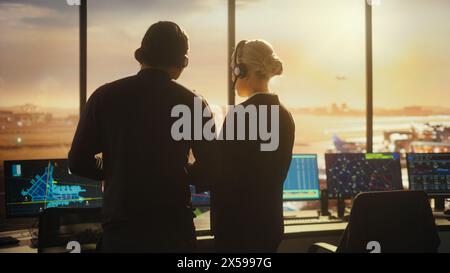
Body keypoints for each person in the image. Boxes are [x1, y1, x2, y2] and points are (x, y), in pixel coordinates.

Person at [68, 21, 215, 252]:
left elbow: (77, 161)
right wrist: (181, 173)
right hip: (173, 232)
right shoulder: (193, 103)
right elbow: (211, 167)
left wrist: (116, 170)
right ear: (181, 63)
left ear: (141, 56)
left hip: (122, 232)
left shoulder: (104, 97)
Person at [211, 40, 295, 252]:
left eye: (233, 70)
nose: (232, 76)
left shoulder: (241, 115)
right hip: (268, 226)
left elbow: (222, 173)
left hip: (238, 228)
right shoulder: (284, 115)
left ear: (242, 70)